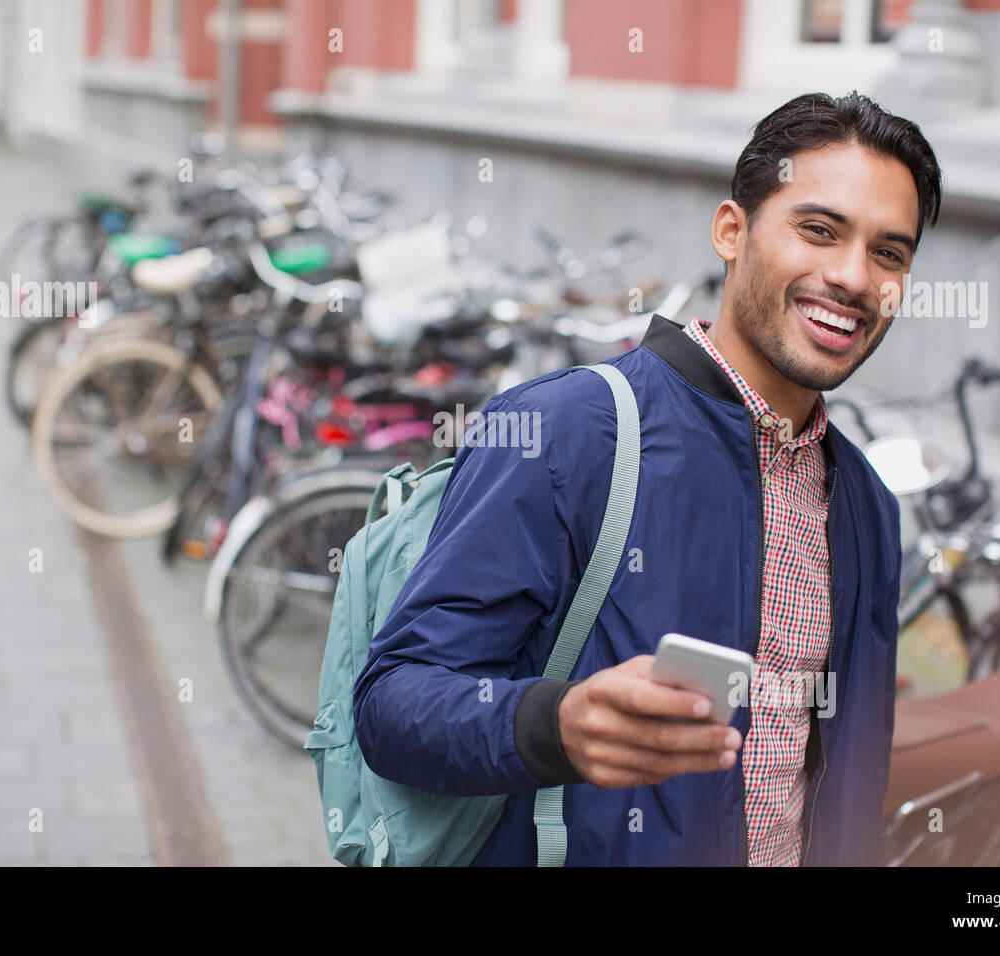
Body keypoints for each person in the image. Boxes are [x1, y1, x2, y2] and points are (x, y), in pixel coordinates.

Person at [354, 90, 941, 866]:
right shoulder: (565, 433)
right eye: (819, 230)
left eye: (888, 253)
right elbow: (393, 702)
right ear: (732, 231)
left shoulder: (864, 501)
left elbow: (851, 773)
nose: (852, 276)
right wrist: (550, 725)